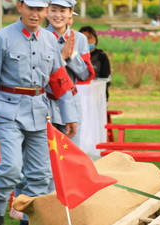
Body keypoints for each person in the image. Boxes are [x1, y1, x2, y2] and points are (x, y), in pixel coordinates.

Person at [0, 0, 78, 225]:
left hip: (38, 110)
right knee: (11, 167)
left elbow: (59, 79)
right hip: (7, 111)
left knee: (41, 173)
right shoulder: (1, 38)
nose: (35, 14)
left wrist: (70, 114)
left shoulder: (50, 40)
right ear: (20, 6)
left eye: (40, 9)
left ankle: (26, 219)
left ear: (46, 11)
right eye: (30, 7)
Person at [45, 0, 94, 147]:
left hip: (70, 104)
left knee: (70, 155)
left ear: (71, 12)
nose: (58, 15)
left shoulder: (80, 39)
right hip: (44, 104)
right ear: (46, 11)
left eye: (63, 10)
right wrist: (61, 58)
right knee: (45, 158)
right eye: (53, 10)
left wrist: (71, 55)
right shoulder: (39, 37)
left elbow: (85, 75)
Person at [79, 25, 111, 100]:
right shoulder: (74, 56)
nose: (86, 41)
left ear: (95, 39)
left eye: (89, 38)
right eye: (83, 38)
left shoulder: (101, 56)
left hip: (97, 95)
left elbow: (105, 78)